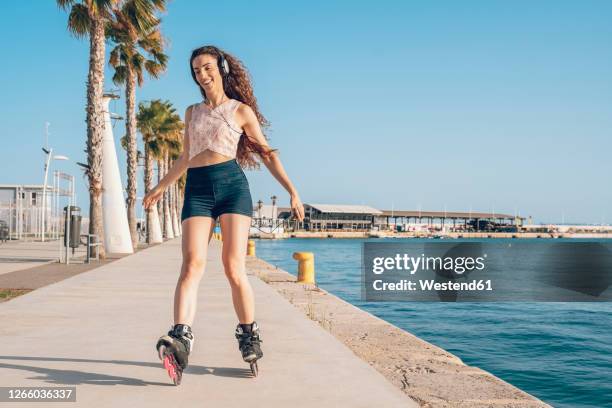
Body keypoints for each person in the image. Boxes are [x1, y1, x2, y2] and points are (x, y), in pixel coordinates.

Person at [143, 45, 304, 384]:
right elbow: (185, 158)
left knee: (233, 267)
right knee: (191, 264)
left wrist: (292, 190)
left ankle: (249, 334)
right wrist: (160, 187)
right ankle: (181, 335)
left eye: (207, 68)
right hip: (198, 190)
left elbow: (267, 154)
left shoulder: (240, 111)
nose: (202, 75)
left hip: (232, 187)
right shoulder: (191, 112)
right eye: (196, 71)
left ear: (222, 68)